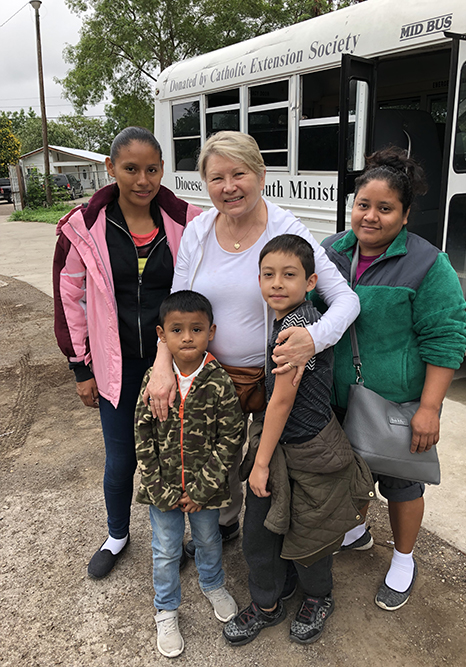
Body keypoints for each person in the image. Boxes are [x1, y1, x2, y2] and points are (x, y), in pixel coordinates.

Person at [145, 131, 361, 556]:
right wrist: (162, 365)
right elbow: (176, 308)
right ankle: (223, 527)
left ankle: (279, 547)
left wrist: (312, 339)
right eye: (216, 177)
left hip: (269, 378)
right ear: (204, 183)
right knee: (213, 457)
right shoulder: (199, 231)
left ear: (261, 174)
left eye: (239, 173)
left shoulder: (285, 229)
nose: (229, 187)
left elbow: (346, 300)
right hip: (208, 376)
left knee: (266, 461)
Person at [318, 147, 466, 611]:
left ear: (404, 216)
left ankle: (403, 559)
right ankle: (358, 531)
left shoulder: (428, 264)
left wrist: (429, 409)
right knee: (348, 473)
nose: (371, 216)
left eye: (386, 209)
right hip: (335, 397)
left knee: (401, 484)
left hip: (395, 403)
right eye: (364, 204)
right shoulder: (330, 252)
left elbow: (446, 339)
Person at [53, 127, 202, 579]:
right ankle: (117, 534)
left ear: (163, 170)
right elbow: (69, 300)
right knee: (122, 459)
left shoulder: (189, 222)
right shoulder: (82, 228)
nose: (143, 180)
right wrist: (81, 366)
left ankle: (182, 538)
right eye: (131, 168)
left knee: (178, 453)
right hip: (115, 364)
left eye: (152, 169)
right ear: (110, 168)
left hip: (177, 361)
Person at [223, 234, 374, 646]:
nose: (276, 283)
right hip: (279, 445)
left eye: (289, 275)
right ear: (258, 280)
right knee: (259, 528)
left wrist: (259, 462)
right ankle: (267, 602)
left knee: (311, 533)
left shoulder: (297, 328)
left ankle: (317, 596)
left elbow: (282, 401)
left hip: (308, 448)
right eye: (268, 275)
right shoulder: (285, 320)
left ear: (310, 282)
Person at [135, 290, 244, 658]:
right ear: (161, 336)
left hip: (206, 493)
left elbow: (231, 437)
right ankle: (166, 609)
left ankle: (212, 585)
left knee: (209, 540)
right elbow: (142, 432)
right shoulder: (155, 380)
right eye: (177, 330)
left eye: (196, 329)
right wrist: (158, 487)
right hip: (162, 491)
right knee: (165, 550)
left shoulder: (218, 381)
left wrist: (202, 489)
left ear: (210, 331)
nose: (186, 337)